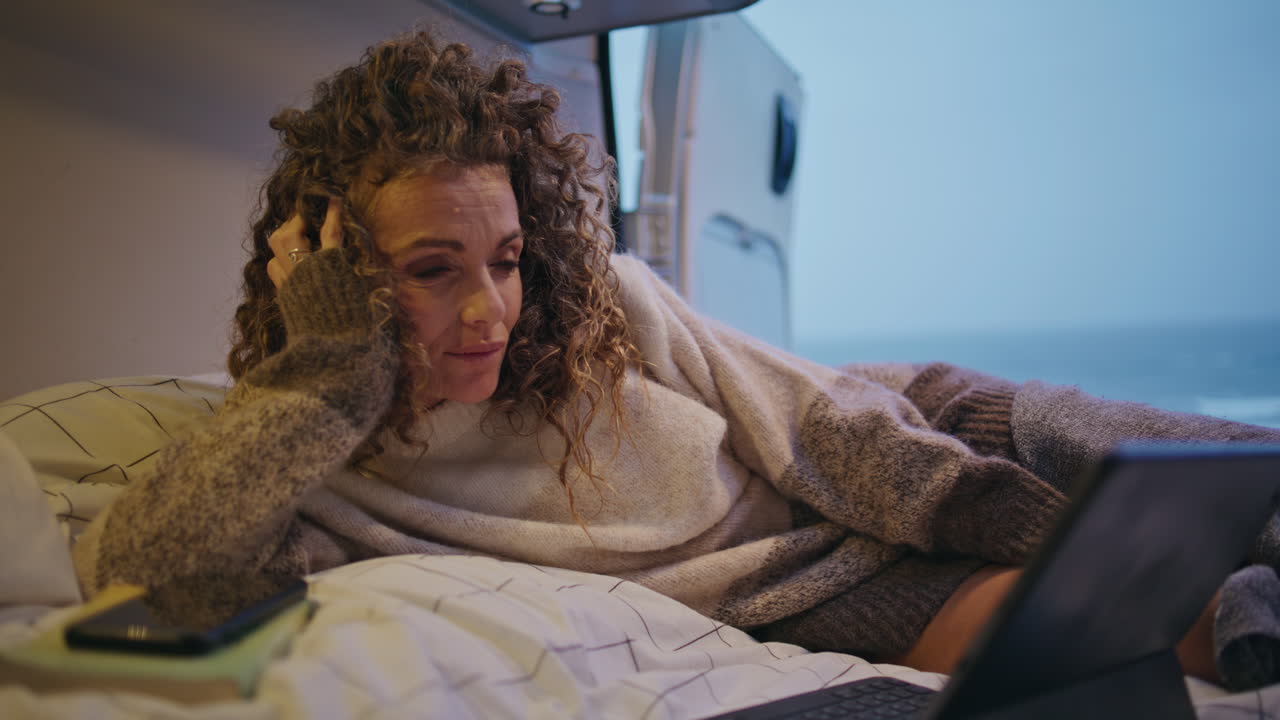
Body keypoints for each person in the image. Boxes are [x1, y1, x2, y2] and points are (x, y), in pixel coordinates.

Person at [71, 30, 1280, 691]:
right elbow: (144, 567)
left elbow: (805, 420)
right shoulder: (319, 460)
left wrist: (1019, 516)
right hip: (821, 585)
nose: (492, 310)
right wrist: (326, 377)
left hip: (889, 443)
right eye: (433, 269)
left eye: (505, 258)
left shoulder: (597, 308)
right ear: (330, 268)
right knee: (1166, 622)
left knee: (1220, 477)